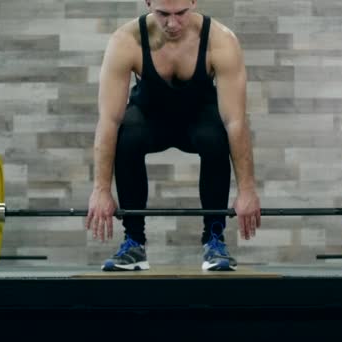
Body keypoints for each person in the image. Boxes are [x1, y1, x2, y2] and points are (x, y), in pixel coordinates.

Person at [86, 0, 261, 272]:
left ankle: (214, 239)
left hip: (199, 121)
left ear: (193, 1)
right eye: (162, 14)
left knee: (217, 139)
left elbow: (235, 121)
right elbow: (108, 120)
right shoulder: (126, 41)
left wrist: (247, 190)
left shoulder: (221, 41)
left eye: (181, 13)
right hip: (149, 120)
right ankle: (133, 242)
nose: (172, 23)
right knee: (126, 137)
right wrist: (101, 190)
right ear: (147, 3)